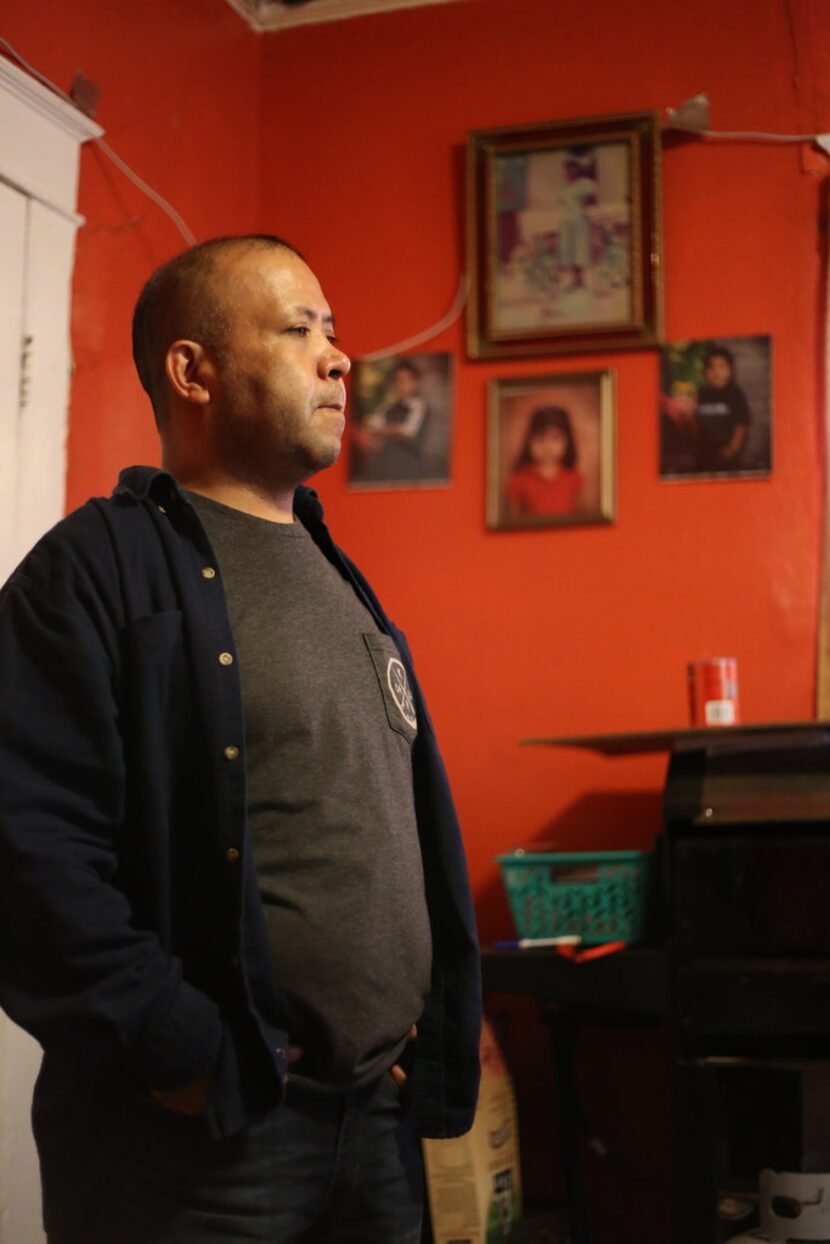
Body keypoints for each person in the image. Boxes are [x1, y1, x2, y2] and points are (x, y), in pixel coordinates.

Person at [0, 234, 482, 1244]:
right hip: (200, 1140)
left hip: (370, 1115)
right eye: (298, 328)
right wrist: (177, 1046)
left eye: (334, 332)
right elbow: (26, 846)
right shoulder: (91, 571)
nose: (338, 357)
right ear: (193, 370)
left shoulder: (331, 569)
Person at [352, 360, 430, 484]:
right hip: (385, 467)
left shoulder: (420, 407)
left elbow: (407, 431)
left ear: (415, 382)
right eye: (398, 380)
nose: (401, 385)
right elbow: (372, 428)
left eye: (406, 380)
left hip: (409, 469)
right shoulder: (386, 408)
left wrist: (384, 430)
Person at [505, 405, 584, 520]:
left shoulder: (575, 478)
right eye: (540, 438)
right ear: (529, 441)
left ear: (568, 441)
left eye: (555, 438)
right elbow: (511, 522)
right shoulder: (518, 480)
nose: (548, 447)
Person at [694, 345, 752, 473]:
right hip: (704, 454)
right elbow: (696, 421)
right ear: (705, 372)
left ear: (731, 371)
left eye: (721, 367)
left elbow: (741, 424)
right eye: (711, 367)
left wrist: (733, 447)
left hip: (726, 454)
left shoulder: (735, 394)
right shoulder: (703, 394)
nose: (716, 372)